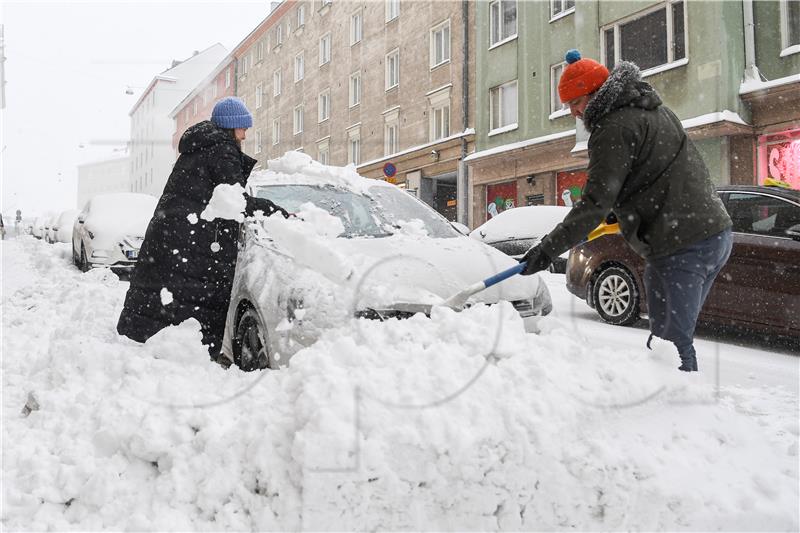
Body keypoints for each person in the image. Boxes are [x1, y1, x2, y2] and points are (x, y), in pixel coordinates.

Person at [519, 50, 732, 372]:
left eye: (576, 102)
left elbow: (594, 203)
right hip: (713, 235)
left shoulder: (613, 127)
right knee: (672, 338)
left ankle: (682, 409)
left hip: (680, 243)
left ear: (595, 94)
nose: (574, 112)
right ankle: (674, 397)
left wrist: (546, 251)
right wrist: (619, 210)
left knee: (671, 345)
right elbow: (654, 174)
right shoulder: (656, 111)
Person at [117, 97, 288, 360]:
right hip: (192, 240)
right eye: (243, 127)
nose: (245, 133)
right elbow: (234, 201)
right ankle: (179, 352)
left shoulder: (200, 147)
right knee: (189, 298)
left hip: (176, 236)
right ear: (231, 127)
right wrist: (277, 213)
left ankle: (149, 340)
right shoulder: (220, 150)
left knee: (167, 294)